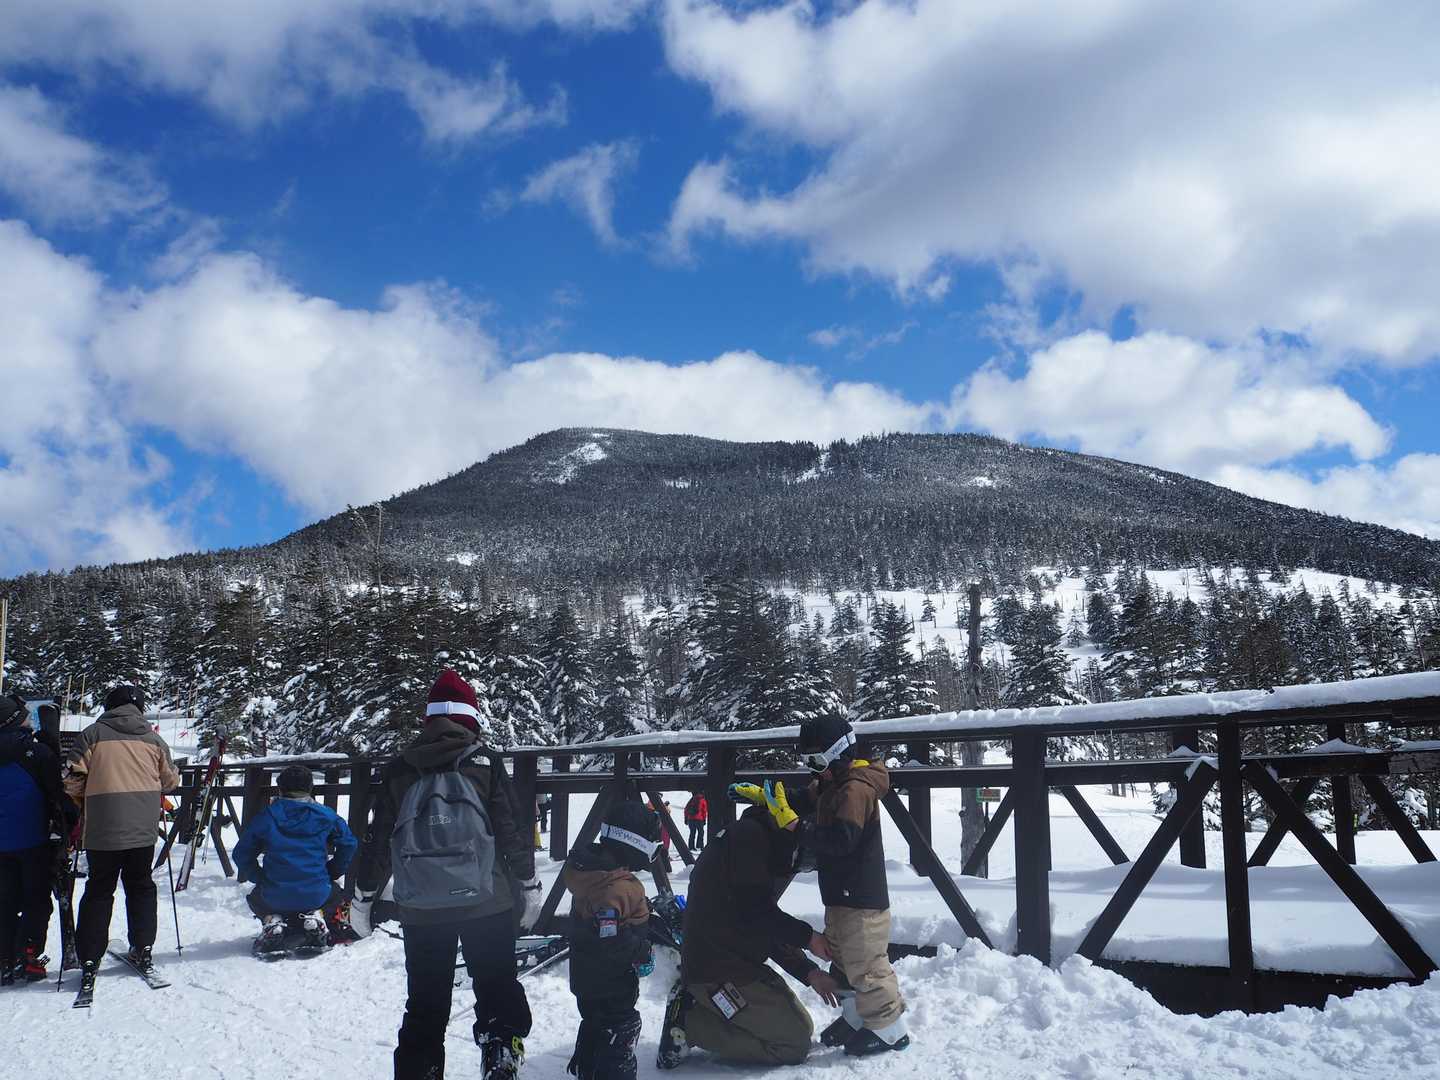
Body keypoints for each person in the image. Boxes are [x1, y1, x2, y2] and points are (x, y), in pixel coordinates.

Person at [349, 669, 543, 1080]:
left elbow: (379, 839)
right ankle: (500, 1054)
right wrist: (528, 885)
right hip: (487, 900)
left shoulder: (400, 768)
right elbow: (511, 831)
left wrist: (363, 897)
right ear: (470, 716)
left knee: (425, 1003)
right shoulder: (484, 763)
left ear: (430, 718)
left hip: (421, 907)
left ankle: (420, 1070)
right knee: (496, 986)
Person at [657, 794, 838, 1069]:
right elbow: (756, 913)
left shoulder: (758, 838)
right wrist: (809, 937)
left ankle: (704, 1008)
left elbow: (761, 921)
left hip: (738, 963)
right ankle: (689, 1023)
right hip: (717, 970)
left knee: (802, 1026)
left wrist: (808, 971)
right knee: (793, 1044)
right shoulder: (749, 841)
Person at [786, 715, 909, 1056]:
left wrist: (798, 827)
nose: (813, 771)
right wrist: (773, 798)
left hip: (862, 898)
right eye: (807, 762)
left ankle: (888, 1028)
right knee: (842, 959)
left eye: (817, 762)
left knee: (866, 964)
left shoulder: (855, 789)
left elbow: (842, 841)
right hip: (840, 894)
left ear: (840, 754)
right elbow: (807, 798)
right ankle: (856, 1016)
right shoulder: (831, 783)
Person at [66, 685, 179, 997]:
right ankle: (142, 948)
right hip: (143, 829)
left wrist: (88, 799)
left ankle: (90, 958)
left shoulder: (91, 735)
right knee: (141, 886)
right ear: (139, 707)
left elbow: (72, 780)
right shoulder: (154, 739)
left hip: (102, 829)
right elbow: (170, 781)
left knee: (99, 890)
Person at [561, 799, 659, 1080]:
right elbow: (610, 936)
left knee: (595, 1023)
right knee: (620, 1030)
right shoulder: (613, 888)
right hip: (611, 981)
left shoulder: (594, 874)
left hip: (588, 978)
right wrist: (641, 950)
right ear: (633, 841)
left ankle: (589, 1068)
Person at [233, 763, 357, 954]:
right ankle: (317, 916)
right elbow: (348, 844)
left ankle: (273, 920)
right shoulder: (326, 815)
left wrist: (260, 877)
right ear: (310, 788)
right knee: (337, 894)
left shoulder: (267, 816)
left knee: (255, 897)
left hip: (274, 894)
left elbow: (241, 854)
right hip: (317, 892)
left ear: (281, 788)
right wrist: (332, 871)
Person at [1, 692, 77, 983]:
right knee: (36, 900)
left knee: (5, 900)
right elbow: (58, 795)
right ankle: (30, 955)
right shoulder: (36, 753)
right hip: (33, 838)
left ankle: (4, 958)